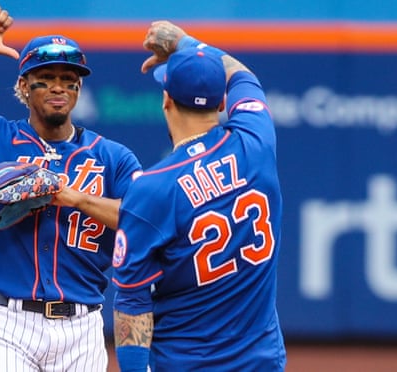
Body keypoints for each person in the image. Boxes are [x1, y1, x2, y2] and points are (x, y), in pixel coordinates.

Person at [0, 3, 141, 371]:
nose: (58, 87)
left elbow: (141, 220)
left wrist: (75, 198)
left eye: (68, 79)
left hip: (82, 327)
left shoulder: (113, 157)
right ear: (23, 86)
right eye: (45, 77)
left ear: (79, 88)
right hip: (6, 322)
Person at [111, 21, 287, 371]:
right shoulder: (256, 142)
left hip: (185, 364)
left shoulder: (152, 188)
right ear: (222, 102)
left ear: (166, 100)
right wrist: (185, 42)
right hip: (261, 363)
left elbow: (132, 301)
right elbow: (242, 74)